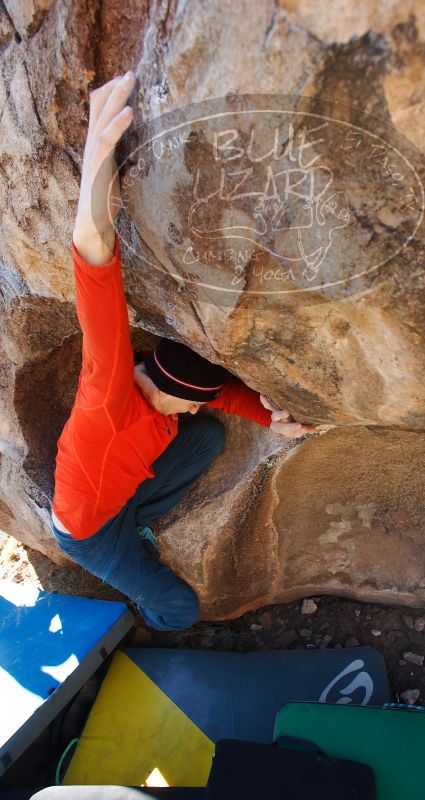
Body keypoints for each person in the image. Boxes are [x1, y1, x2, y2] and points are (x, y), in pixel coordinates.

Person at [50, 70, 317, 632]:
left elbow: (213, 393)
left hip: (123, 498)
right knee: (179, 608)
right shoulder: (107, 402)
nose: (198, 404)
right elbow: (93, 261)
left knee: (209, 437)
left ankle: (140, 519)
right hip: (90, 535)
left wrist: (275, 418)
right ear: (165, 389)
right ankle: (140, 608)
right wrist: (93, 171)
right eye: (190, 401)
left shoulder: (163, 386)